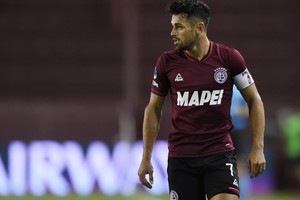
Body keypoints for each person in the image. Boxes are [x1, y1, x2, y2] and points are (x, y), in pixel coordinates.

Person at [138, 0, 266, 200]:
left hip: (219, 153)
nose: (172, 33)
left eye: (179, 27)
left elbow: (255, 100)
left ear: (199, 28)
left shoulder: (229, 58)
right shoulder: (167, 62)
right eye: (172, 26)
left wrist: (258, 148)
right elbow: (153, 109)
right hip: (182, 158)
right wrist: (146, 158)